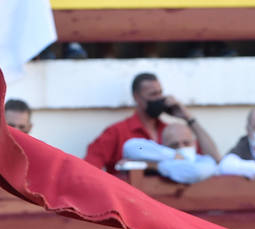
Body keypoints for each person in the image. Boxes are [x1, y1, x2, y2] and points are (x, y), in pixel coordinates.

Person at [84, 72, 220, 173]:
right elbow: (89, 168)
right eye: (153, 95)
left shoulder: (172, 132)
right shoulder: (117, 132)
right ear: (137, 98)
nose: (159, 98)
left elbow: (214, 159)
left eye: (160, 93)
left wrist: (189, 118)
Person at [121, 121, 218, 184]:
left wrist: (153, 166)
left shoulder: (205, 161)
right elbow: (130, 147)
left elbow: (193, 172)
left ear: (194, 143)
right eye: (174, 145)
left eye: (186, 143)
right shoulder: (164, 155)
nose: (182, 147)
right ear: (163, 147)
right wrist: (173, 155)